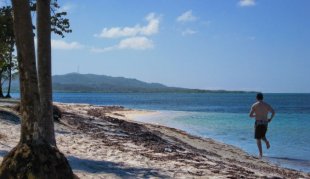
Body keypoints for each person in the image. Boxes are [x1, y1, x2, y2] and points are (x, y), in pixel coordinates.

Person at [249, 92, 275, 158]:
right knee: (262, 135)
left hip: (258, 123)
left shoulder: (254, 105)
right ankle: (266, 142)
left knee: (258, 139)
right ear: (262, 98)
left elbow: (250, 115)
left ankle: (260, 154)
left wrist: (256, 114)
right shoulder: (267, 105)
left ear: (256, 98)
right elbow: (273, 112)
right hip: (265, 123)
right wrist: (270, 119)